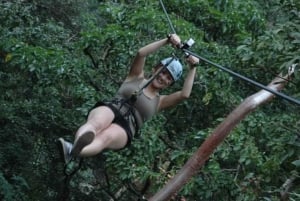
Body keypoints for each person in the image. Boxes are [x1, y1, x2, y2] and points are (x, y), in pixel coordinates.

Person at [58, 34, 199, 164]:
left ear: (170, 84)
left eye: (169, 78)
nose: (163, 78)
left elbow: (184, 94)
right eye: (163, 72)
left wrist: (193, 68)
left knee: (106, 137)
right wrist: (167, 41)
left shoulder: (160, 101)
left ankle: (74, 151)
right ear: (155, 68)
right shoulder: (136, 76)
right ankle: (75, 145)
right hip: (113, 108)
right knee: (97, 123)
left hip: (127, 127)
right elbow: (141, 53)